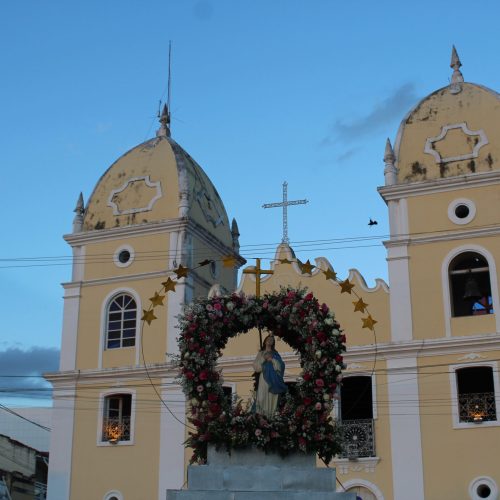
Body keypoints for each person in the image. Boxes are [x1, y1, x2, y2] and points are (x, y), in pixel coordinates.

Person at [252, 334, 287, 418]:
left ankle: (271, 417)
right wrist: (264, 358)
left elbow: (281, 366)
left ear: (273, 343)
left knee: (272, 398)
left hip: (274, 379)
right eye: (268, 339)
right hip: (264, 378)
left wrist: (272, 360)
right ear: (265, 341)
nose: (270, 340)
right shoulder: (261, 353)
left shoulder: (275, 354)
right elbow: (256, 367)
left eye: (272, 340)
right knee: (262, 397)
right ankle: (261, 417)